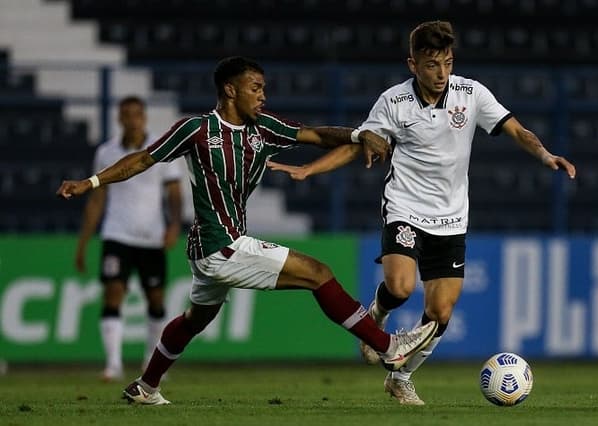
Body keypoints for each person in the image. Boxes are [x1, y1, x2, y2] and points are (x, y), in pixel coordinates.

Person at [57, 56, 439, 405]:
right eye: (255, 88)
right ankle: (388, 347)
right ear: (230, 90)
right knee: (317, 273)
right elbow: (144, 158)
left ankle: (146, 386)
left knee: (196, 319)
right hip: (218, 244)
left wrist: (358, 135)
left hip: (213, 248)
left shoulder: (264, 128)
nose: (262, 95)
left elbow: (315, 135)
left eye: (263, 88)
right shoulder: (195, 129)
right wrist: (91, 182)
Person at [268, 20, 577, 405]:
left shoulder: (472, 93)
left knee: (440, 311)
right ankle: (378, 312)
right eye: (432, 65)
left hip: (452, 217)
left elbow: (516, 129)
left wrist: (545, 154)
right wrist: (308, 169)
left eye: (447, 63)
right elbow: (360, 143)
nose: (442, 73)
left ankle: (402, 378)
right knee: (400, 287)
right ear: (412, 65)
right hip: (406, 207)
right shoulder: (393, 102)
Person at [74, 95, 183, 382]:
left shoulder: (161, 150)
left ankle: (151, 359)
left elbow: (174, 193)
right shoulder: (106, 152)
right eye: (127, 114)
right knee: (113, 294)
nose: (132, 119)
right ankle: (113, 364)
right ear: (119, 118)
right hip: (116, 234)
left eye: (137, 114)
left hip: (151, 236)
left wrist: (174, 226)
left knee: (156, 299)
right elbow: (97, 199)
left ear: (144, 117)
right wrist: (84, 242)